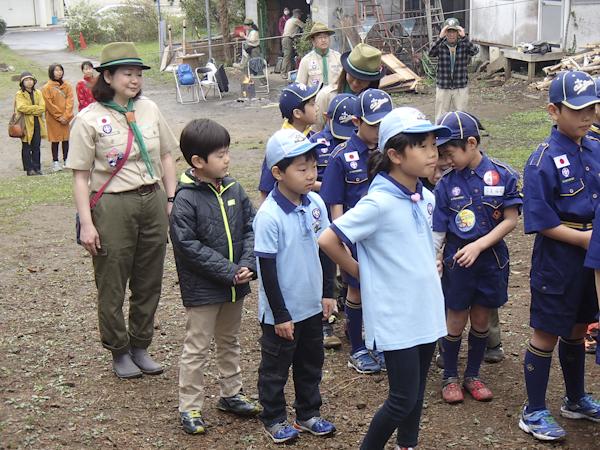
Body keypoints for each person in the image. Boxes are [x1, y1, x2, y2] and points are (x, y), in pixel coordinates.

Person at [318, 107, 450, 450]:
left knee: (417, 393)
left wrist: (430, 261)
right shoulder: (377, 203)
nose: (433, 152)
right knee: (402, 398)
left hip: (425, 308)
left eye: (434, 143)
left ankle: (407, 445)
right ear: (394, 154)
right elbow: (328, 239)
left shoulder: (424, 196)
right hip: (398, 316)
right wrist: (361, 272)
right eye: (422, 145)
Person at [67, 42, 178, 379]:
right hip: (113, 205)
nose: (134, 80)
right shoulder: (89, 119)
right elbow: (80, 177)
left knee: (149, 279)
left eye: (138, 74)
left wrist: (171, 199)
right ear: (108, 76)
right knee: (112, 282)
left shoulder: (149, 109)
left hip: (153, 199)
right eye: (127, 74)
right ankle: (118, 350)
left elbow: (166, 156)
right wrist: (87, 224)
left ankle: (141, 345)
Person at [519, 71, 600, 442]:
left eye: (593, 107)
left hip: (591, 258)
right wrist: (585, 241)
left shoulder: (596, 146)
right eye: (578, 109)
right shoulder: (542, 159)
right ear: (553, 110)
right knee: (547, 331)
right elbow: (540, 221)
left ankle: (575, 398)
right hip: (559, 257)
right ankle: (533, 409)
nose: (588, 116)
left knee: (579, 327)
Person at [169, 119, 259, 435]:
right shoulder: (185, 198)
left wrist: (247, 265)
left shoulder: (233, 187)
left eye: (227, 152)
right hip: (204, 289)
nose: (227, 159)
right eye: (220, 154)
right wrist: (229, 271)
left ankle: (231, 394)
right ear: (198, 162)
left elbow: (251, 226)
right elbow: (187, 246)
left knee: (229, 340)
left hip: (236, 286)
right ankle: (190, 406)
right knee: (197, 347)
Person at [433, 110, 521, 404]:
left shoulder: (503, 174)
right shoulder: (445, 183)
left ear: (471, 143)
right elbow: (439, 228)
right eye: (441, 154)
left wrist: (479, 245)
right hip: (457, 263)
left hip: (490, 261)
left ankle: (472, 375)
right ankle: (449, 377)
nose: (446, 160)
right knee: (455, 321)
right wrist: (436, 258)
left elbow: (510, 219)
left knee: (482, 320)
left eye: (449, 153)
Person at [254, 129, 336, 443]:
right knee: (275, 369)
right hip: (282, 312)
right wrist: (281, 314)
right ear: (278, 172)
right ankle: (273, 418)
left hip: (312, 305)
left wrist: (328, 292)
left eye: (314, 167)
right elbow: (267, 269)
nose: (310, 175)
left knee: (310, 362)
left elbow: (326, 247)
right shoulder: (269, 216)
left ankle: (308, 414)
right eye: (301, 169)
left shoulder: (315, 202)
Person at [320, 88, 393, 374]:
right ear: (355, 122)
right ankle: (358, 349)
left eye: (383, 125)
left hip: (384, 237)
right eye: (372, 124)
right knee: (357, 289)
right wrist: (344, 243)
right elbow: (335, 203)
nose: (378, 131)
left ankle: (378, 343)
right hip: (355, 239)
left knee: (382, 292)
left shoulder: (391, 153)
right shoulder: (342, 155)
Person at [310, 93, 358, 349]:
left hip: (352, 217)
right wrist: (330, 185)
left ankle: (353, 322)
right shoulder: (316, 143)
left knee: (352, 273)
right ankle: (324, 324)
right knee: (324, 269)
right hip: (321, 218)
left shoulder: (362, 147)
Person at [258, 82, 321, 204]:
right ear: (297, 113)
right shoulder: (279, 145)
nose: (317, 108)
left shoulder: (315, 137)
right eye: (312, 104)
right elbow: (266, 187)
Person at [314, 43, 385, 132]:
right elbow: (315, 132)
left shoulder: (378, 102)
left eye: (362, 79)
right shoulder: (327, 96)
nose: (355, 82)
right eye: (352, 75)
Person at [428, 18, 479, 123]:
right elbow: (430, 53)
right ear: (445, 32)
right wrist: (439, 37)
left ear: (458, 32)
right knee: (441, 116)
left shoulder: (463, 44)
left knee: (462, 116)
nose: (452, 35)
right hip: (443, 85)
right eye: (449, 32)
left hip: (460, 86)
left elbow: (475, 51)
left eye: (454, 32)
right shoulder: (441, 44)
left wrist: (464, 37)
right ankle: (440, 136)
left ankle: (461, 137)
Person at [42, 63, 74, 172]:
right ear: (51, 72)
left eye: (60, 70)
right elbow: (49, 104)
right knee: (55, 140)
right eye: (56, 70)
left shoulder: (67, 85)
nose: (59, 72)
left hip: (66, 117)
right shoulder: (47, 87)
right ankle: (55, 161)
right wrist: (59, 116)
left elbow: (70, 100)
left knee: (66, 139)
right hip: (54, 118)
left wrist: (66, 115)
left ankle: (67, 159)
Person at [15, 71, 47, 176]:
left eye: (31, 80)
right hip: (25, 123)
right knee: (26, 146)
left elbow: (42, 107)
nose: (29, 82)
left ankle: (37, 168)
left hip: (37, 122)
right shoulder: (19, 94)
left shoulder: (38, 92)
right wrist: (35, 108)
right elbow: (21, 107)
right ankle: (29, 169)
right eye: (26, 80)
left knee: (36, 146)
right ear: (22, 82)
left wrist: (32, 109)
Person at [297, 22, 342, 87]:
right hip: (315, 96)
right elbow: (300, 86)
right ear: (313, 41)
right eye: (320, 37)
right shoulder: (306, 60)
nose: (323, 40)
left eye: (326, 36)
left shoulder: (338, 57)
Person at [281, 9, 305, 79]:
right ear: (297, 15)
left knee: (290, 56)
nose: (300, 16)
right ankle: (283, 72)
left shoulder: (289, 20)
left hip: (287, 39)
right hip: (288, 39)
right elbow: (304, 26)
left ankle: (289, 72)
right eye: (300, 15)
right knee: (287, 56)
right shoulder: (295, 20)